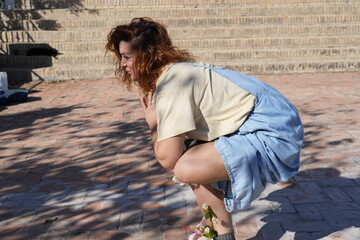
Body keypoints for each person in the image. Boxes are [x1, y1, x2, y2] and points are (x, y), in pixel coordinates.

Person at [106, 17, 304, 240]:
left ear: (147, 55)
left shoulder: (173, 84)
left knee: (186, 167)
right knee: (191, 154)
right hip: (276, 122)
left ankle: (221, 232)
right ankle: (217, 229)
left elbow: (167, 159)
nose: (122, 64)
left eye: (126, 57)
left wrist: (153, 124)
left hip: (273, 133)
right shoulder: (177, 72)